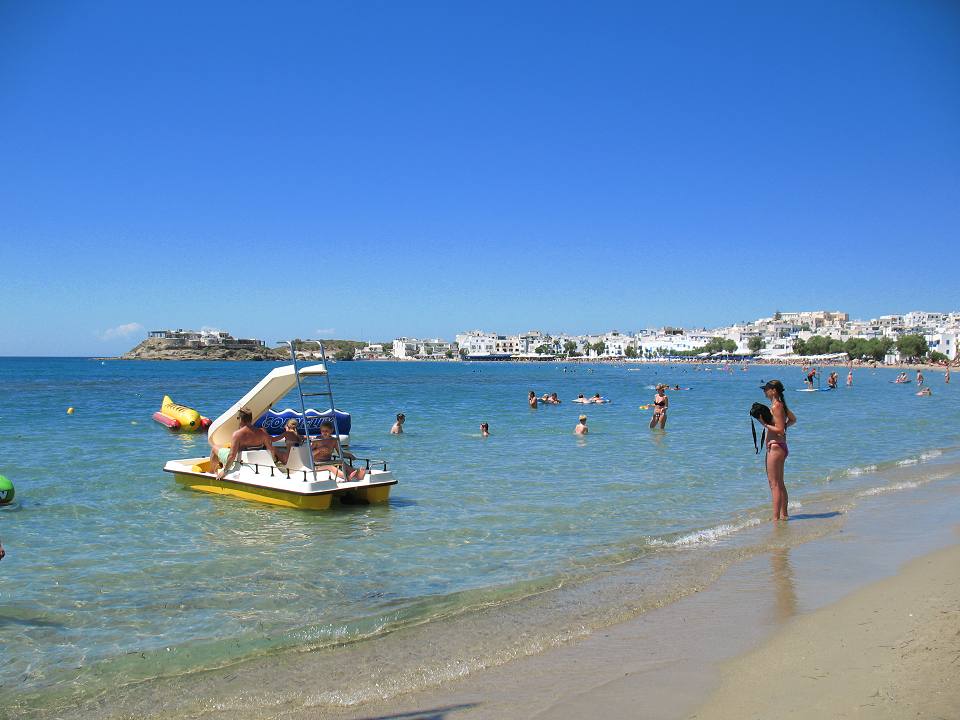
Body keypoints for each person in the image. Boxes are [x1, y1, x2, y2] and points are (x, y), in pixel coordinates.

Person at [758, 380, 797, 522]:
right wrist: (784, 425)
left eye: (766, 389)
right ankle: (784, 515)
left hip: (775, 447)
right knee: (779, 483)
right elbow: (793, 419)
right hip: (780, 447)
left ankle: (775, 519)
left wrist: (765, 424)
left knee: (774, 484)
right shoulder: (781, 405)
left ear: (773, 390)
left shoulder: (777, 406)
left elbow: (780, 430)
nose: (764, 391)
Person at [209, 408, 280, 480]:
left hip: (239, 460)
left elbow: (232, 456)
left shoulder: (237, 434)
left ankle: (212, 473)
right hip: (256, 460)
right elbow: (271, 449)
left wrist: (225, 471)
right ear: (251, 419)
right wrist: (274, 461)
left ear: (240, 419)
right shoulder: (262, 432)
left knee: (215, 448)